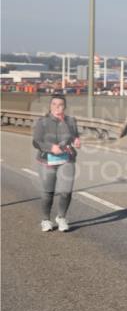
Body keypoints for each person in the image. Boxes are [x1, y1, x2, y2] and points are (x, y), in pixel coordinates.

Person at [32, 95, 81, 232]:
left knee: (66, 191)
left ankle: (61, 217)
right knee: (48, 192)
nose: (57, 107)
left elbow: (74, 136)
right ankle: (46, 219)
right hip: (47, 161)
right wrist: (50, 147)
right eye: (54, 104)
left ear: (64, 107)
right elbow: (36, 142)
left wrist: (76, 141)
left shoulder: (71, 121)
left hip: (67, 159)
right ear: (50, 106)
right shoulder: (42, 122)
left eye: (60, 104)